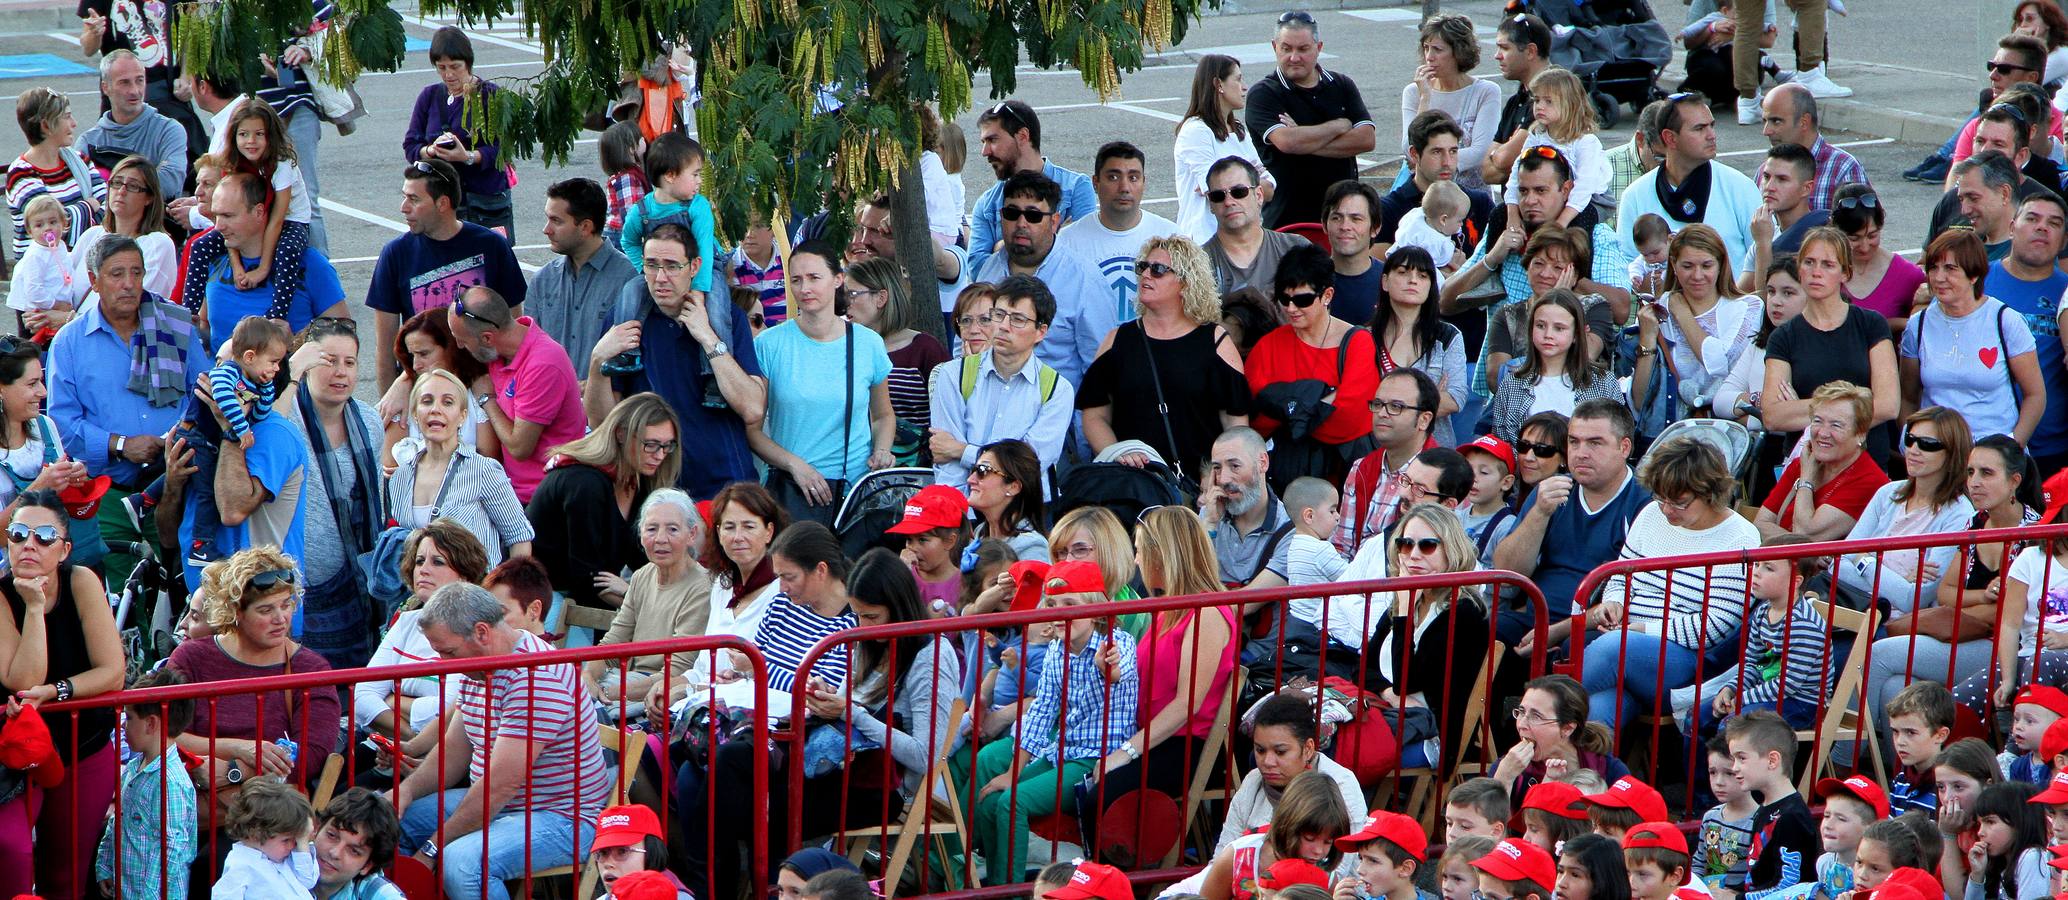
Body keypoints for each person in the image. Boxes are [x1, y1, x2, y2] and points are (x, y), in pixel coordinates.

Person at [396, 583, 610, 900]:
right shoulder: (478, 669)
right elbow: (454, 751)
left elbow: (499, 786)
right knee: (392, 823)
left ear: (482, 633)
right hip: (510, 804)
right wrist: (405, 791)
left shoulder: (534, 677)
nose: (443, 662)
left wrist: (433, 848)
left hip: (565, 817)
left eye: (448, 652)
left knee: (462, 864)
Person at [954, 557, 1134, 886]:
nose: (1060, 611)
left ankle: (1008, 891)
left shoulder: (1117, 643)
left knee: (1012, 802)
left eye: (1070, 603)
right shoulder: (1056, 650)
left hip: (1098, 757)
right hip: (1062, 751)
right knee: (991, 797)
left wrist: (1108, 669)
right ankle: (990, 882)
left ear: (1094, 610)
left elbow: (1119, 672)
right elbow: (1041, 712)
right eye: (1052, 604)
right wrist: (1013, 771)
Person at [168, 549, 340, 879]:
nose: (281, 618)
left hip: (266, 822)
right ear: (236, 612)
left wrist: (230, 771)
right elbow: (165, 733)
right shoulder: (191, 658)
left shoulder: (310, 668)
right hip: (185, 805)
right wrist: (239, 749)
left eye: (287, 604)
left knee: (214, 868)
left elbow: (311, 755)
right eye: (266, 609)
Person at [46, 234, 204, 576]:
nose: (129, 284)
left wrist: (178, 436)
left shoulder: (176, 326)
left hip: (178, 486)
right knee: (119, 601)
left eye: (136, 273)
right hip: (109, 497)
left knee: (181, 594)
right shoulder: (70, 343)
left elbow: (203, 393)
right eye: (117, 274)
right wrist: (121, 445)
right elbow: (63, 423)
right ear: (94, 281)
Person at [1579, 436, 1760, 727]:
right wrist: (1614, 602)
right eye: (1660, 498)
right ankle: (1583, 768)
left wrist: (1639, 628)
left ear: (1711, 493)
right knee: (1602, 708)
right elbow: (1621, 574)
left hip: (1687, 662)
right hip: (1631, 651)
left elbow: (1715, 627)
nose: (1666, 510)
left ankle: (1549, 715)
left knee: (1613, 646)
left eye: (1679, 502)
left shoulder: (1740, 538)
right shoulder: (1651, 514)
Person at [1864, 434, 2036, 736]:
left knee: (1880, 654)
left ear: (2014, 482)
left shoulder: (2034, 534)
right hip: (1968, 636)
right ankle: (1905, 777)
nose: (1975, 482)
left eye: (1987, 473)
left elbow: (2011, 618)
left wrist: (1977, 606)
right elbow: (1946, 594)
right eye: (1970, 472)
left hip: (2008, 649)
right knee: (1896, 686)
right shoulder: (1976, 522)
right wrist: (1985, 597)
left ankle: (1844, 753)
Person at [1083, 507, 1238, 839]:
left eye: (1139, 551)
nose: (1136, 561)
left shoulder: (1206, 612)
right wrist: (1111, 673)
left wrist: (1125, 752)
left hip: (1185, 745)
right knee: (1073, 780)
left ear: (1162, 555)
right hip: (1152, 736)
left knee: (1101, 797)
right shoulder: (1166, 610)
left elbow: (1186, 705)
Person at [0, 489, 124, 898]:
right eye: (18, 535)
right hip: (15, 757)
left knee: (65, 877)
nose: (28, 545)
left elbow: (113, 672)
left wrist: (55, 692)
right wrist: (33, 607)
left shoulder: (82, 580)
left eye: (43, 537)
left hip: (81, 747)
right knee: (14, 857)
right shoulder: (0, 595)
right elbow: (22, 679)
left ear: (65, 549)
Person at [587, 223, 766, 499]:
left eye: (672, 266)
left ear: (694, 267)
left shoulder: (727, 318)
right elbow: (602, 424)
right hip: (656, 493)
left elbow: (753, 408)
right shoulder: (625, 319)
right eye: (651, 265)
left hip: (726, 488)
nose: (660, 278)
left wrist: (707, 337)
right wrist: (598, 361)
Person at [1079, 234, 1250, 484]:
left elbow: (1235, 423)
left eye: (1158, 270)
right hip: (1136, 484)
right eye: (1142, 267)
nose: (1146, 274)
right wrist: (1119, 454)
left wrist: (1220, 474)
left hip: (1202, 487)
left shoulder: (1215, 341)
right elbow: (1094, 416)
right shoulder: (1117, 340)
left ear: (1185, 283)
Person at [749, 240, 894, 525]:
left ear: (838, 279)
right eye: (796, 280)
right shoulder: (770, 344)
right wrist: (794, 465)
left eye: (814, 278)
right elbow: (752, 430)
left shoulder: (867, 343)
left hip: (851, 493)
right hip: (791, 490)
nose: (805, 288)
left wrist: (882, 450)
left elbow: (884, 414)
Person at [1494, 400, 1651, 651]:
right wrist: (1539, 513)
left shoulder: (1646, 504)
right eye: (1574, 441)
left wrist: (1557, 631)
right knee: (1480, 627)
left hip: (1598, 628)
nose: (1581, 453)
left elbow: (1635, 600)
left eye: (1595, 443)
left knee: (1576, 647)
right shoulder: (1551, 491)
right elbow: (1507, 574)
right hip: (1536, 620)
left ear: (1624, 447)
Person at [276, 318, 385, 670]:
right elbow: (267, 433)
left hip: (354, 583)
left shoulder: (369, 421)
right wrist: (291, 375)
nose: (341, 372)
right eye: (328, 361)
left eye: (349, 363)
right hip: (294, 581)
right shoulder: (287, 414)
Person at [170, 321, 310, 592]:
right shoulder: (201, 438)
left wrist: (232, 429)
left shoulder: (275, 436)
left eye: (226, 369)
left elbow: (233, 511)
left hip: (260, 601)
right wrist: (172, 487)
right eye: (218, 366)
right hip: (205, 607)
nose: (212, 378)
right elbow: (166, 535)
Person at [367, 160, 527, 392]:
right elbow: (386, 348)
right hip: (426, 393)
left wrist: (511, 394)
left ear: (442, 203)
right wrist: (388, 411)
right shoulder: (396, 253)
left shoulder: (492, 246)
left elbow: (514, 328)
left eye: (414, 199)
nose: (403, 207)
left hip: (485, 388)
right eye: (405, 197)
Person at [351, 521, 490, 784]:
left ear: (465, 575)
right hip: (390, 750)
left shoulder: (474, 632)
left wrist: (393, 701)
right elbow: (362, 697)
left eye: (437, 562)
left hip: (446, 763)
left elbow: (450, 711)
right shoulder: (406, 621)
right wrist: (411, 744)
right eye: (418, 561)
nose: (423, 570)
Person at [972, 171, 1128, 392]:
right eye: (1011, 213)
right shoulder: (988, 271)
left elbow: (1101, 371)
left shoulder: (1085, 279)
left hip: (1058, 420)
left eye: (1033, 215)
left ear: (1054, 221)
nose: (1021, 223)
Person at [1367, 503, 1494, 768]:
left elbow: (1407, 681)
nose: (1413, 555)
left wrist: (1403, 612)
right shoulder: (1406, 601)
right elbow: (1363, 667)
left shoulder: (1463, 612)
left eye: (1427, 546)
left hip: (1431, 736)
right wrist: (1389, 695)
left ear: (1452, 551)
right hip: (1386, 716)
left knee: (1343, 752)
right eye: (1405, 544)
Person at [529, 392, 681, 612]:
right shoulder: (584, 483)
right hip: (547, 599)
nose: (660, 455)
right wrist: (650, 610)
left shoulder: (637, 481)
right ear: (620, 434)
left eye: (667, 446)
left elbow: (643, 562)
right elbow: (586, 578)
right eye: (651, 444)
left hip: (592, 597)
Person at [643, 482, 787, 714]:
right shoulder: (721, 586)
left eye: (749, 526)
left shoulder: (783, 590)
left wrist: (686, 690)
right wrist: (665, 686)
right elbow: (703, 668)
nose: (737, 537)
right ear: (718, 533)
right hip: (704, 707)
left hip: (749, 718)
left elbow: (771, 678)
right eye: (729, 527)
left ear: (769, 531)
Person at [1761, 228, 1900, 467]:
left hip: (1866, 462)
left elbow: (1888, 405)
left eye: (1827, 265)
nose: (1816, 273)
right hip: (1808, 463)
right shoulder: (1783, 337)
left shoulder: (1870, 324)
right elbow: (1773, 416)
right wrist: (1859, 406)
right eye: (1809, 262)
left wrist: (1808, 410)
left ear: (1845, 273)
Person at [1245, 244, 1380, 489]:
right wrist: (1323, 399)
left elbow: (1349, 418)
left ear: (1327, 295)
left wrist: (1289, 407)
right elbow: (1258, 415)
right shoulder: (1268, 346)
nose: (1291, 308)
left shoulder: (1358, 342)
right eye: (1284, 299)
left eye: (1303, 299)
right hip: (1289, 474)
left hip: (1345, 475)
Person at [929, 274, 1075, 490]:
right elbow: (947, 464)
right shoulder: (952, 375)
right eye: (998, 315)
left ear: (1040, 332)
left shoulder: (1057, 389)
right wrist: (962, 518)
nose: (1004, 326)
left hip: (1025, 512)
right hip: (964, 507)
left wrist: (962, 451)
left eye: (1018, 319)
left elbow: (1027, 465)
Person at [1901, 229, 2045, 443]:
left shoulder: (2005, 321)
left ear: (1974, 274)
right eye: (1933, 268)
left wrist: (2012, 445)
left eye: (1950, 269)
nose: (1939, 278)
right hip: (1937, 453)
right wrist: (1912, 441)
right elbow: (1908, 398)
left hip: (1992, 452)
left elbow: (2035, 395)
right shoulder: (1918, 325)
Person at [448, 283, 586, 504]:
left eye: (462, 340)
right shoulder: (497, 352)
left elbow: (520, 447)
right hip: (509, 490)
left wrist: (487, 400)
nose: (459, 346)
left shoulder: (543, 363)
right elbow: (431, 345)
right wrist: (404, 383)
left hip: (544, 498)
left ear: (486, 338)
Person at [585, 488, 713, 720]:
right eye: (651, 529)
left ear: (692, 534)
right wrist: (587, 677)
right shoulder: (642, 575)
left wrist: (602, 692)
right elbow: (612, 644)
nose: (660, 539)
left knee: (580, 711)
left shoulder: (702, 587)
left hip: (658, 690)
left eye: (673, 529)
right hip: (624, 678)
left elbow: (677, 669)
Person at [388, 367, 533, 566]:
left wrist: (510, 592)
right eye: (427, 401)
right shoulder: (400, 477)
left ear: (462, 416)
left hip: (476, 592)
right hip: (419, 594)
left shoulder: (483, 470)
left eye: (447, 402)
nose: (435, 409)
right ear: (415, 413)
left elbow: (519, 537)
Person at [1245, 10, 1377, 227]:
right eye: (1286, 49)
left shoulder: (1342, 85)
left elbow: (1366, 140)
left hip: (1342, 222)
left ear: (1319, 47)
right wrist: (1339, 125)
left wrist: (1304, 138)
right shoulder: (1264, 94)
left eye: (1303, 49)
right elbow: (1287, 141)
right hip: (1286, 224)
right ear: (1274, 47)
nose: (1294, 57)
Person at [1615, 94, 1762, 285]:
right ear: (1670, 138)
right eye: (1699, 128)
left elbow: (1762, 258)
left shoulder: (1740, 187)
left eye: (1712, 125)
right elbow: (1627, 269)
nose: (1711, 135)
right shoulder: (1635, 196)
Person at [191, 171, 348, 346]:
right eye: (216, 215)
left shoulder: (309, 263)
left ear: (259, 212)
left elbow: (343, 332)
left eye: (228, 216)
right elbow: (204, 326)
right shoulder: (213, 260)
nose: (218, 226)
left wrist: (295, 343)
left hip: (284, 372)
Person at [1631, 224, 1763, 419]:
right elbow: (1639, 402)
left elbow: (1719, 364)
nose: (1697, 275)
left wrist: (1682, 313)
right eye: (1687, 266)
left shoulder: (1748, 307)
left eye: (1706, 266)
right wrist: (1647, 339)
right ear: (1674, 265)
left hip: (1730, 428)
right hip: (1673, 431)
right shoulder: (1658, 310)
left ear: (1721, 265)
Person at [94, 664, 196, 900]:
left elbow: (172, 848)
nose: (123, 725)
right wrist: (105, 866)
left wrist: (150, 894)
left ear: (151, 723)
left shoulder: (170, 782)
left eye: (129, 718)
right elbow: (117, 822)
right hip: (126, 887)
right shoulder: (133, 768)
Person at [1217, 690, 1367, 849]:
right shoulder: (1253, 781)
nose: (1267, 762)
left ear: (1308, 748)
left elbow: (1338, 868)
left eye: (1280, 752)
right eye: (1260, 750)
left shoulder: (1341, 784)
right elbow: (1223, 854)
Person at [404, 28, 516, 237]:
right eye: (442, 67)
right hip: (443, 201)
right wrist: (430, 151)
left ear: (468, 63)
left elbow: (503, 149)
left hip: (485, 201)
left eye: (455, 67)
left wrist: (468, 157)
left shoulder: (491, 96)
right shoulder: (429, 96)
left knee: (491, 258)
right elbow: (410, 145)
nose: (449, 74)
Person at [968, 100, 1097, 277]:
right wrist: (1051, 237)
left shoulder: (1076, 188)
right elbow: (978, 271)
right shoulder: (986, 205)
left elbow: (1084, 255)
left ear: (1022, 136)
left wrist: (999, 247)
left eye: (992, 140)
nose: (985, 151)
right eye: (1012, 214)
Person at [1753, 381, 1891, 542]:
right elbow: (1759, 525)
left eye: (1836, 425)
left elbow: (1805, 532)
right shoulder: (1803, 463)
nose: (1823, 433)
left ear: (1860, 434)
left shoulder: (1869, 481)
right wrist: (1807, 553)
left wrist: (1805, 481)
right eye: (1817, 421)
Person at [529, 178, 638, 378]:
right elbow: (528, 353)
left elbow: (632, 360)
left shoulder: (628, 280)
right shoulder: (542, 280)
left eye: (556, 221)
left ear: (586, 227)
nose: (546, 229)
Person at [1059, 141, 1182, 313]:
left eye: (1133, 178)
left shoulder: (1171, 236)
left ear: (1144, 182)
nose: (1124, 187)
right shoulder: (1066, 241)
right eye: (1113, 177)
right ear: (1095, 182)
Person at [1993, 193, 2068, 474]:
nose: (2042, 227)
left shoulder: (2067, 295)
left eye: (2054, 223)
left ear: (2063, 240)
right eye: (2032, 218)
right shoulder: (1975, 282)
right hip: (1983, 445)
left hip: (2053, 448)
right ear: (2012, 227)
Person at [847, 256, 950, 460]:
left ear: (881, 298)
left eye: (852, 294)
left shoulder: (924, 349)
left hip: (912, 466)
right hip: (853, 464)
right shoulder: (844, 347)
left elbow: (947, 414)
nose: (843, 303)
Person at [1487, 290, 1622, 443]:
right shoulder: (1511, 384)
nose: (1548, 334)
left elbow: (1615, 438)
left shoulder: (1604, 382)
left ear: (1577, 334)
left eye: (1559, 328)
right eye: (1540, 326)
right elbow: (1503, 443)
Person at [1334, 368, 1440, 557]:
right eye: (1378, 404)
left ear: (1424, 420)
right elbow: (1343, 547)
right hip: (1356, 577)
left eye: (1395, 406)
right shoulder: (1361, 468)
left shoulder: (1445, 472)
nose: (1382, 413)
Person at [1176, 55, 1274, 244]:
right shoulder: (1196, 131)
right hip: (1205, 242)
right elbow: (1216, 190)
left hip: (1245, 241)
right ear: (1218, 84)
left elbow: (1269, 188)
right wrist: (1251, 177)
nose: (1244, 87)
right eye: (1237, 79)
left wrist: (1237, 181)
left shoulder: (1237, 130)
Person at [1401, 15, 1504, 193]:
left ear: (1458, 52)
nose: (1429, 57)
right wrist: (1425, 97)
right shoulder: (1413, 92)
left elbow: (1481, 152)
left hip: (1472, 197)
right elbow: (1408, 147)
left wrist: (1432, 159)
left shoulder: (1486, 91)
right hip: (1424, 194)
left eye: (1438, 50)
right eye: (1426, 48)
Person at [380, 309, 496, 462]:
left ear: (452, 347)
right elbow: (390, 466)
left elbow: (489, 461)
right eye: (411, 355)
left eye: (424, 354)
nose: (415, 365)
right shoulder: (403, 398)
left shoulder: (478, 395)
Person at [65, 153, 175, 309]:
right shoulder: (92, 235)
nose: (121, 191)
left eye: (132, 186)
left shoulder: (158, 244)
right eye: (116, 183)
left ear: (149, 198)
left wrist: (68, 320)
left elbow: (130, 307)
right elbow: (65, 284)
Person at [1379, 111, 1497, 255]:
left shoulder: (1479, 203)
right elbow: (1380, 269)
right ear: (1414, 154)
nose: (1447, 162)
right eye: (1437, 152)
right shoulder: (1389, 209)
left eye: (1453, 151)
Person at [8, 88, 103, 265]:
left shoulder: (79, 160)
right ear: (46, 126)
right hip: (43, 271)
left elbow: (109, 209)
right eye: (67, 116)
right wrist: (88, 206)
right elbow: (48, 228)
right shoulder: (21, 174)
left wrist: (73, 215)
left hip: (85, 263)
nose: (74, 123)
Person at [1203, 157, 1313, 297]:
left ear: (1259, 195)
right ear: (1210, 204)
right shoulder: (1198, 264)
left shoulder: (1296, 248)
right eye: (1218, 196)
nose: (1229, 202)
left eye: (1239, 192)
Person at [1197, 427, 1291, 587]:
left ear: (1263, 463)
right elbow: (1188, 580)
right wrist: (1210, 524)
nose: (1224, 479)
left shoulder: (1288, 528)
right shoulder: (1210, 514)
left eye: (1234, 466)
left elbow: (1247, 603)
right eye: (1217, 468)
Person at [1756, 84, 1868, 212]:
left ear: (1804, 121)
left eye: (1776, 121)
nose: (1766, 131)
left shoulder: (1843, 168)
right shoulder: (1764, 172)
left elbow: (1863, 228)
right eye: (1765, 121)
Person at [1834, 184, 1926, 334]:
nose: (1864, 247)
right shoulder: (1821, 270)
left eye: (1872, 236)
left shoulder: (1908, 275)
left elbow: (1927, 322)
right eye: (1854, 238)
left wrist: (1897, 324)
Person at [1483, 13, 1555, 189]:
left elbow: (1504, 160)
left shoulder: (1554, 98)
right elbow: (1486, 172)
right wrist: (1501, 157)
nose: (1497, 56)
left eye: (1504, 48)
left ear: (1530, 51)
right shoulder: (1516, 101)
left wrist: (1499, 155)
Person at [311, 789, 408, 900]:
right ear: (317, 829)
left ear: (367, 866)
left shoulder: (380, 894)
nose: (335, 853)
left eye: (354, 851)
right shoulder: (288, 858)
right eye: (332, 835)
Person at [1604, 103, 1666, 231]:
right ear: (1640, 139)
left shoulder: (1690, 166)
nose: (1671, 165)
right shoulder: (1603, 168)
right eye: (1661, 157)